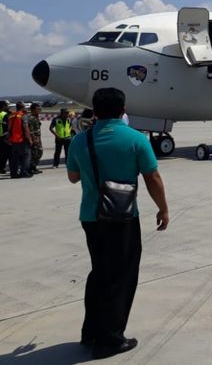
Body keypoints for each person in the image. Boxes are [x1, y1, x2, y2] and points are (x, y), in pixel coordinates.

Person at [66, 87, 168, 360]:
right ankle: (110, 339)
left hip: (91, 216)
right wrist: (163, 209)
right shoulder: (136, 139)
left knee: (99, 272)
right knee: (121, 276)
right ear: (123, 110)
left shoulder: (80, 141)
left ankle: (91, 332)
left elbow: (73, 177)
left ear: (95, 111)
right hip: (122, 217)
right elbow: (152, 177)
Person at [8, 102, 33, 179]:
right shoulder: (23, 116)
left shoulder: (11, 115)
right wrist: (29, 139)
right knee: (26, 156)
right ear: (22, 107)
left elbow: (9, 128)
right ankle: (24, 172)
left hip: (13, 139)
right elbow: (26, 128)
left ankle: (13, 173)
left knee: (14, 158)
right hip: (22, 139)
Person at [28, 103, 44, 174]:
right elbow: (30, 131)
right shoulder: (31, 118)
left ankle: (33, 167)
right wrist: (34, 139)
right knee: (34, 154)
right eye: (38, 109)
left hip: (37, 138)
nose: (40, 110)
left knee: (39, 153)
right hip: (34, 139)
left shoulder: (35, 117)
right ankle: (31, 168)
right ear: (33, 110)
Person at [0, 100, 10, 174]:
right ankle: (2, 168)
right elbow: (7, 126)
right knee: (5, 154)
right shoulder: (4, 114)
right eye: (6, 105)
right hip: (3, 137)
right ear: (3, 106)